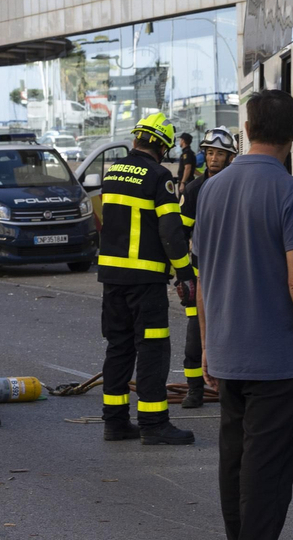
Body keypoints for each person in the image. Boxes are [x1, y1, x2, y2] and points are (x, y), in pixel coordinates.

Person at [193, 90, 293, 540]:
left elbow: (204, 277)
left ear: (248, 131)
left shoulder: (210, 189)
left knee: (234, 464)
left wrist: (206, 347)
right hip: (277, 362)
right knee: (267, 476)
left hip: (227, 355)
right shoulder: (291, 192)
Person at [96, 112, 195, 446]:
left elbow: (103, 220)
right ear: (161, 146)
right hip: (145, 280)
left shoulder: (112, 173)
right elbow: (171, 230)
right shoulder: (158, 177)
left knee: (119, 346)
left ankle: (115, 423)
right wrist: (185, 274)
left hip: (112, 279)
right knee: (153, 349)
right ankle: (153, 424)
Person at [179, 127, 236, 409]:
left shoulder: (236, 187)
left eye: (220, 154)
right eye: (210, 153)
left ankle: (230, 390)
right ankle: (194, 390)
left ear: (230, 157)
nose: (214, 159)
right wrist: (182, 275)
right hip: (199, 273)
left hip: (229, 273)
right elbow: (181, 234)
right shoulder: (193, 190)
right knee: (194, 339)